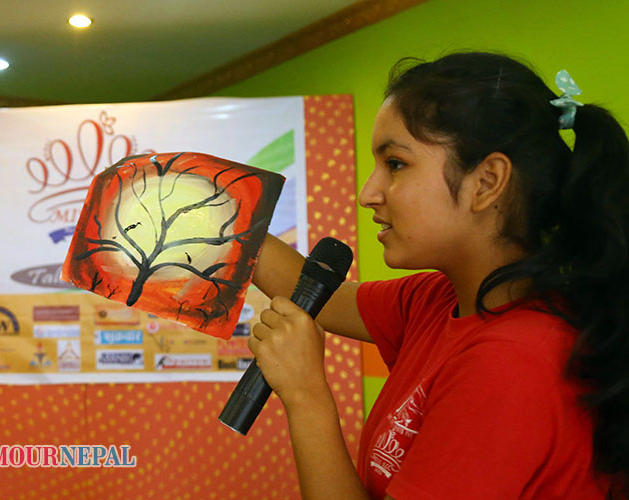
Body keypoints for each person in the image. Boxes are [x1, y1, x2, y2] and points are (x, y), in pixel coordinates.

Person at [247, 52, 628, 500]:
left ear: (486, 182)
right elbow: (325, 299)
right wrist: (222, 213)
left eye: (395, 164)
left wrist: (306, 396)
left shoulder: (512, 362)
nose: (368, 194)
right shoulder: (440, 299)